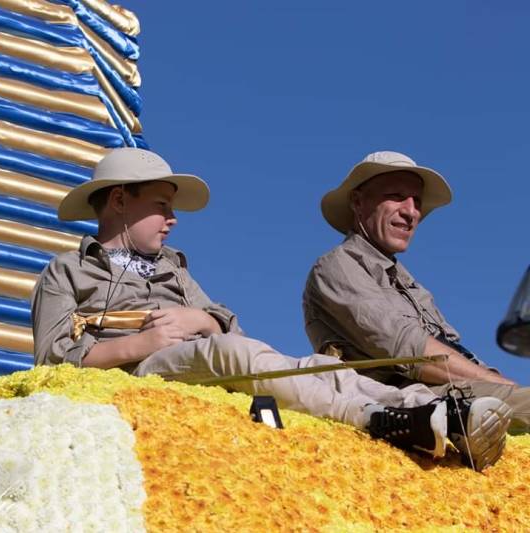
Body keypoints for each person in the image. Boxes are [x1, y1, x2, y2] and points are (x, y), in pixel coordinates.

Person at [32, 147, 511, 471]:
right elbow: (51, 358)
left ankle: (438, 412)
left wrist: (199, 318)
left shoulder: (174, 270)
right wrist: (144, 342)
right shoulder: (67, 271)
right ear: (119, 200)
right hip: (141, 369)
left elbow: (229, 326)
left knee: (319, 366)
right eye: (161, 205)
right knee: (230, 354)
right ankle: (375, 419)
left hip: (197, 358)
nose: (172, 220)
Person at [303, 150, 529, 433]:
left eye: (417, 202)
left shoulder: (411, 285)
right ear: (358, 202)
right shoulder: (338, 265)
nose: (411, 212)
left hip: (450, 392)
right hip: (405, 403)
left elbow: (453, 352)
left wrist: (501, 383)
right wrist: (502, 386)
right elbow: (411, 351)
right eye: (396, 196)